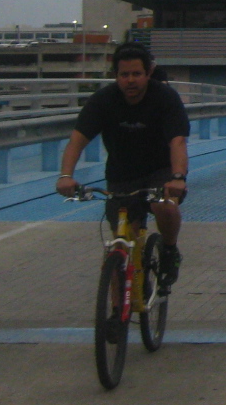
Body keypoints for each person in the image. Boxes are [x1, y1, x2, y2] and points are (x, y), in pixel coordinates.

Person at [57, 42, 190, 288]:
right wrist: (66, 175)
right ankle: (117, 317)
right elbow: (77, 141)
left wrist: (178, 177)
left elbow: (178, 141)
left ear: (148, 73)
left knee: (164, 207)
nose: (130, 80)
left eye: (137, 74)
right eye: (124, 74)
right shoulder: (103, 101)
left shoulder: (164, 98)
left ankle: (170, 250)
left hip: (160, 170)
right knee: (122, 242)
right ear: (115, 76)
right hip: (122, 174)